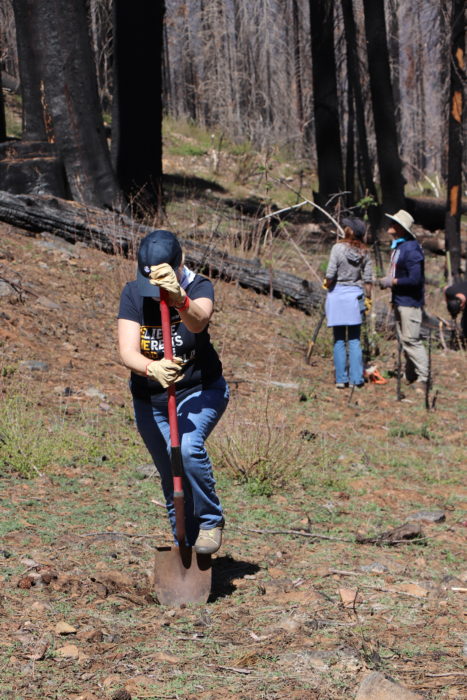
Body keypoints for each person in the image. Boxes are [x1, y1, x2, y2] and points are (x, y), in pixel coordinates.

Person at [117, 229, 229, 555]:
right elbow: (127, 350)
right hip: (150, 400)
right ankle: (187, 547)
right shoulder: (133, 294)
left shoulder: (198, 285)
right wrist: (151, 368)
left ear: (180, 265)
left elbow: (198, 322)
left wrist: (179, 298)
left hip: (199, 390)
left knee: (188, 448)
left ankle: (210, 520)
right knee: (170, 473)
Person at [379, 209, 428, 391]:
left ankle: (424, 378)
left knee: (411, 340)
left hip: (410, 302)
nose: (389, 226)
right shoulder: (399, 247)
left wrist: (392, 281)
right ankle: (410, 374)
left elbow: (415, 280)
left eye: (394, 224)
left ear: (400, 228)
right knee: (404, 339)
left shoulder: (412, 249)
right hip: (400, 300)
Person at [324, 217, 373, 388]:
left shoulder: (337, 248)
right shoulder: (365, 252)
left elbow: (330, 274)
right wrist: (368, 298)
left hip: (337, 296)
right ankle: (356, 379)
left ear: (347, 230)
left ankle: (341, 379)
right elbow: (368, 280)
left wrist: (328, 285)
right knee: (354, 340)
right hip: (354, 297)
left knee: (338, 339)